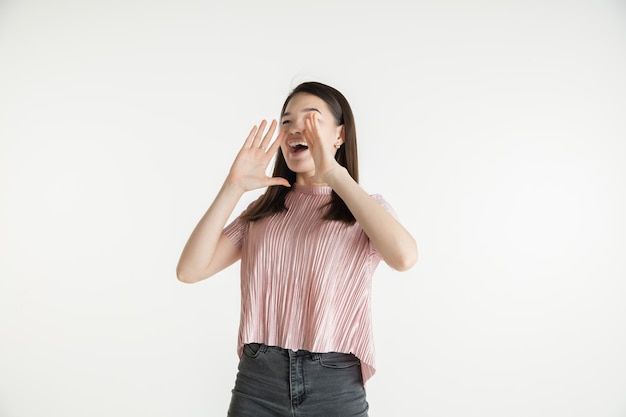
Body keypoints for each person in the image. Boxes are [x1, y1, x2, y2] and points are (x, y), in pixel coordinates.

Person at [176, 81, 418, 417]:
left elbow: (404, 257)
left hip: (334, 383)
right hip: (258, 380)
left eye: (311, 118)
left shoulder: (363, 209)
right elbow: (189, 270)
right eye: (287, 121)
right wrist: (233, 187)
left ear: (340, 135)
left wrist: (335, 174)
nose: (294, 129)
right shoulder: (264, 211)